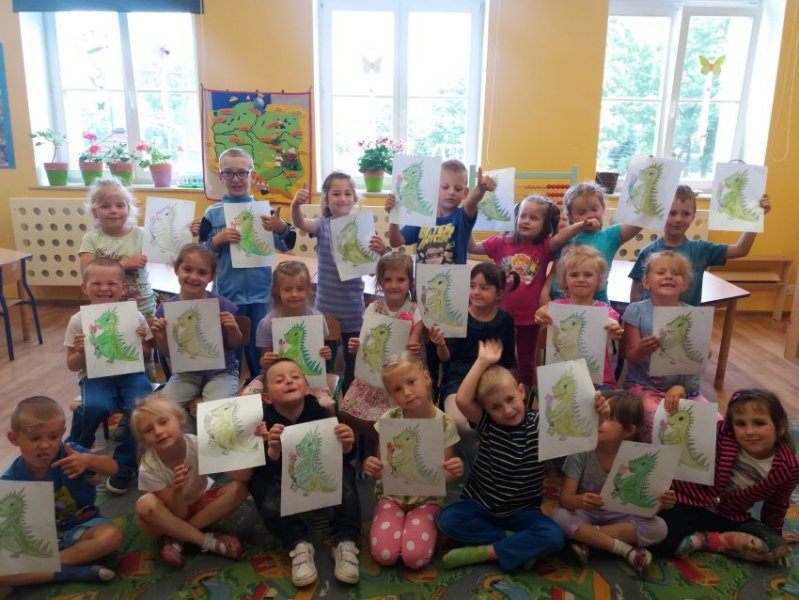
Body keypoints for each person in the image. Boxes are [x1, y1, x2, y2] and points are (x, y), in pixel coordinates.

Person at [436, 340, 609, 571]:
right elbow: (462, 400)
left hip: (524, 512)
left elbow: (583, 431)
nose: (507, 410)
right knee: (447, 520)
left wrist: (600, 414)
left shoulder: (541, 424)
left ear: (521, 391)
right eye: (496, 407)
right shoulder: (488, 423)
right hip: (481, 506)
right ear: (487, 410)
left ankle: (488, 551)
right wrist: (482, 361)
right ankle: (514, 542)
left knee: (554, 536)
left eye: (510, 400)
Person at [248, 359, 362, 587]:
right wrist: (273, 449)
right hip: (281, 477)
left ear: (307, 387)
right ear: (267, 397)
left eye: (295, 377)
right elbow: (261, 469)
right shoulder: (263, 421)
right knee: (260, 487)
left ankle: (345, 540)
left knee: (347, 476)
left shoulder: (319, 411)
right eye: (279, 380)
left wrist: (348, 445)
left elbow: (341, 457)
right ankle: (297, 543)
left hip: (317, 475)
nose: (289, 381)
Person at [470, 194, 601, 388]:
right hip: (498, 316)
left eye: (534, 218)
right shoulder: (500, 243)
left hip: (529, 318)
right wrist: (467, 216)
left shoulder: (544, 247)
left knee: (527, 361)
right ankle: (491, 390)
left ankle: (523, 395)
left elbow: (562, 236)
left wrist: (582, 225)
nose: (526, 221)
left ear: (545, 225)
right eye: (523, 216)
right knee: (495, 356)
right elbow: (472, 247)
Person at [655, 389, 799, 563]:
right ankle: (713, 541)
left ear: (781, 426)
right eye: (740, 424)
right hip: (689, 503)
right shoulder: (722, 433)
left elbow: (776, 505)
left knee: (775, 545)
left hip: (730, 517)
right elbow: (692, 422)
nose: (749, 431)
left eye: (759, 423)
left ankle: (706, 540)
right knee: (659, 540)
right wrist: (680, 393)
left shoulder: (788, 468)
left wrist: (774, 532)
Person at [386, 161, 488, 401]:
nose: (451, 192)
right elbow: (396, 241)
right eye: (445, 187)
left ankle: (448, 396)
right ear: (435, 189)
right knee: (429, 352)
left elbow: (472, 203)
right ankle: (430, 398)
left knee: (450, 351)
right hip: (425, 296)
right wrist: (393, 216)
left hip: (454, 296)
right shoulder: (422, 218)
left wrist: (480, 190)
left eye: (458, 188)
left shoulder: (462, 217)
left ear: (464, 191)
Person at [196, 147, 296, 380]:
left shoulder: (266, 211)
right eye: (229, 173)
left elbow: (287, 244)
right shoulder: (212, 214)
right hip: (228, 296)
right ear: (221, 176)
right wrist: (216, 241)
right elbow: (200, 256)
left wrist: (281, 227)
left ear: (252, 175)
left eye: (242, 172)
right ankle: (232, 385)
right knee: (232, 348)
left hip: (262, 295)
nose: (236, 179)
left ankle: (261, 385)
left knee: (261, 349)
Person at [0, 396, 122, 587]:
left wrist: (88, 460)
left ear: (63, 433)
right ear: (14, 439)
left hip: (82, 526)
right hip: (38, 540)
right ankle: (68, 572)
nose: (45, 445)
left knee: (111, 537)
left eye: (53, 436)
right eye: (35, 438)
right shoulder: (9, 481)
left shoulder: (71, 453)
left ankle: (45, 568)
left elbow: (113, 468)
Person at [551, 391, 676, 574]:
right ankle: (625, 550)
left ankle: (588, 538)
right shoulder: (583, 450)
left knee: (659, 528)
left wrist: (662, 503)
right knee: (559, 516)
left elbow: (647, 511)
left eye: (608, 418)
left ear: (629, 430)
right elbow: (565, 500)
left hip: (622, 516)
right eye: (598, 415)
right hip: (586, 513)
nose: (600, 421)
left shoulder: (639, 458)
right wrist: (579, 500)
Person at [363, 353, 463, 569]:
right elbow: (381, 468)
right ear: (391, 395)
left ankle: (427, 526)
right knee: (385, 555)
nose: (407, 392)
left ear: (426, 378)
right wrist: (372, 466)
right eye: (397, 389)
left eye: (411, 382)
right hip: (391, 496)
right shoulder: (388, 420)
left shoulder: (445, 423)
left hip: (427, 498)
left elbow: (445, 476)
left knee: (414, 558)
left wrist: (454, 470)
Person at [65, 258, 153, 494]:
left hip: (131, 374)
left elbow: (146, 356)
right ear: (84, 288)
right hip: (94, 377)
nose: (104, 288)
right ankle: (76, 453)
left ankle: (124, 465)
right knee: (95, 407)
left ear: (123, 288)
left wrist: (142, 344)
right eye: (96, 283)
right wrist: (81, 352)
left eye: (112, 283)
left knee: (142, 409)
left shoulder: (135, 316)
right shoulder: (77, 321)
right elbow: (72, 365)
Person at [291, 172, 384, 390]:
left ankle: (349, 395)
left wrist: (380, 253)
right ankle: (324, 395)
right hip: (326, 309)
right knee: (324, 358)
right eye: (336, 193)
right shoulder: (322, 225)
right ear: (326, 198)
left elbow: (373, 273)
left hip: (353, 309)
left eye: (348, 193)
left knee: (353, 361)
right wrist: (296, 205)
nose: (343, 198)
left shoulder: (363, 230)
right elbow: (300, 223)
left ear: (355, 198)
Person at [340, 253, 446, 445]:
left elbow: (414, 345)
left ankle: (385, 444)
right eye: (388, 279)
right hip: (373, 378)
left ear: (410, 282)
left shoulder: (416, 311)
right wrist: (357, 346)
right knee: (346, 412)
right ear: (380, 281)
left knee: (393, 422)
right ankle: (380, 444)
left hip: (403, 379)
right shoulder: (373, 308)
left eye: (400, 279)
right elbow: (366, 343)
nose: (394, 285)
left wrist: (414, 346)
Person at [133, 393, 249, 566]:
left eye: (163, 422)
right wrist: (177, 489)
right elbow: (179, 513)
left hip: (200, 506)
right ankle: (206, 541)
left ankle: (178, 537)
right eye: (148, 430)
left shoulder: (198, 444)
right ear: (143, 440)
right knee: (145, 504)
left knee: (240, 488)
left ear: (180, 419)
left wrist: (240, 441)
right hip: (168, 516)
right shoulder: (148, 467)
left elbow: (243, 477)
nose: (158, 431)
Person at [629, 185, 772, 304]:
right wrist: (635, 320)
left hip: (687, 321)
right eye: (672, 213)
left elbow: (741, 249)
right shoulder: (648, 252)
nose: (678, 219)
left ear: (693, 216)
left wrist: (756, 217)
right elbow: (636, 292)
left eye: (685, 214)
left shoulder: (701, 249)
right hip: (650, 322)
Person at [620, 251, 709, 442]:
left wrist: (703, 352)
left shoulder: (693, 315)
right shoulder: (636, 311)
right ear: (646, 282)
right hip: (643, 386)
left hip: (684, 389)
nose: (669, 276)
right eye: (661, 272)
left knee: (711, 423)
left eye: (676, 273)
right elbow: (631, 356)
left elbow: (694, 364)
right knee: (657, 421)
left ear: (685, 284)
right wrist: (642, 349)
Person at [150, 244, 243, 421]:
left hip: (222, 372)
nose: (193, 277)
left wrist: (233, 328)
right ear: (177, 269)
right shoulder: (165, 309)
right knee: (161, 411)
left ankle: (200, 414)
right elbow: (168, 353)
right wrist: (161, 338)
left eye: (202, 272)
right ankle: (189, 426)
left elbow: (235, 344)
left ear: (212, 276)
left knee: (218, 413)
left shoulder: (222, 304)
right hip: (186, 374)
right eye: (187, 269)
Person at [79, 178, 158, 381]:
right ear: (95, 211)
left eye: (120, 205)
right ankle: (110, 384)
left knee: (144, 347)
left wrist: (189, 230)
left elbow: (170, 253)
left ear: (129, 209)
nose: (113, 210)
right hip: (106, 309)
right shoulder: (92, 238)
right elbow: (87, 271)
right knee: (110, 348)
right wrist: (123, 264)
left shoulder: (142, 234)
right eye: (106, 206)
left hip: (143, 305)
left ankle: (147, 383)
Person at [240, 260, 333, 408]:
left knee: (326, 405)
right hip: (273, 375)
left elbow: (321, 354)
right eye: (287, 289)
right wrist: (266, 360)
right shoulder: (267, 323)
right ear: (278, 291)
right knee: (247, 398)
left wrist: (325, 354)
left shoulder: (317, 318)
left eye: (300, 289)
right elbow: (263, 361)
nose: (294, 294)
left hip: (309, 376)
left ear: (308, 290)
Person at [442, 263, 517, 437]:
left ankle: (488, 446)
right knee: (459, 423)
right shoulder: (458, 315)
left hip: (493, 380)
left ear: (499, 293)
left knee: (503, 417)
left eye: (484, 288)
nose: (476, 292)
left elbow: (509, 362)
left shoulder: (506, 320)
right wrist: (440, 344)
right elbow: (445, 358)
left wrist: (511, 391)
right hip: (460, 379)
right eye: (472, 286)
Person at [535, 245, 623, 390]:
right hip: (561, 379)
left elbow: (615, 331)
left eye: (588, 275)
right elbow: (543, 342)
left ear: (599, 280)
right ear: (564, 280)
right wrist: (541, 317)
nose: (581, 279)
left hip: (599, 381)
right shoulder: (554, 308)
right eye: (574, 275)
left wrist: (614, 330)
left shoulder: (606, 311)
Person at [543, 181, 643, 303]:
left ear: (603, 208)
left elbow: (639, 222)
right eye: (581, 212)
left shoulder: (610, 236)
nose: (590, 215)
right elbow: (554, 269)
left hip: (596, 305)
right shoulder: (566, 237)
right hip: (560, 302)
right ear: (570, 216)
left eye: (594, 209)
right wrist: (544, 293)